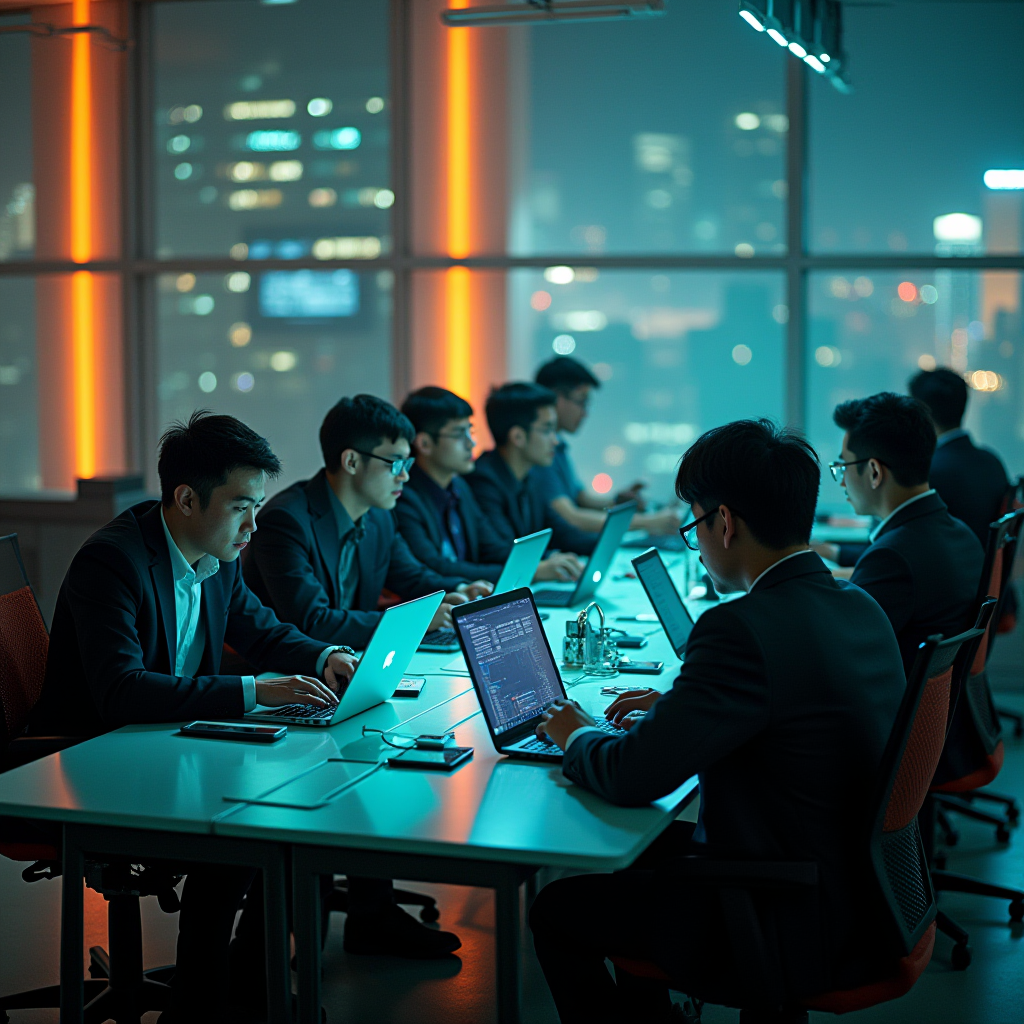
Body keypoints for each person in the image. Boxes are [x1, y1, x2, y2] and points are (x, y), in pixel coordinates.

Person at [527, 419, 907, 1023]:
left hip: (784, 910)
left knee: (556, 909)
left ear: (723, 523)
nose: (696, 544)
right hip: (865, 895)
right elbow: (791, 712)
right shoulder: (858, 604)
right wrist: (680, 709)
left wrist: (575, 732)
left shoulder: (738, 630)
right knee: (641, 856)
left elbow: (631, 776)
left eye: (693, 526)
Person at [29, 412, 360, 1022]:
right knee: (239, 836)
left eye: (257, 505)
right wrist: (255, 691)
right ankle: (199, 1006)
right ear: (186, 498)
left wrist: (326, 655)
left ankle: (244, 986)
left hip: (169, 744)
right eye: (241, 506)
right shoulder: (114, 563)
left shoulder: (216, 553)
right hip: (92, 759)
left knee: (295, 813)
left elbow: (261, 629)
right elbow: (122, 694)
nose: (254, 525)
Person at [244, 394, 493, 652]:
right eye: (395, 464)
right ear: (351, 461)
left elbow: (412, 577)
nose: (405, 476)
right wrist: (416, 621)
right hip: (292, 672)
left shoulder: (379, 516)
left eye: (407, 463)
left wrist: (460, 589)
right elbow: (313, 622)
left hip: (354, 659)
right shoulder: (286, 521)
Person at [826, 392, 984, 673]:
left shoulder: (892, 556)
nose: (841, 482)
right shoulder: (962, 535)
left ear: (874, 472)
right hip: (940, 711)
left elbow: (836, 648)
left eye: (843, 466)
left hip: (889, 712)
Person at [395, 386, 583, 584]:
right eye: (459, 434)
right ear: (424, 443)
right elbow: (436, 567)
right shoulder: (404, 497)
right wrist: (532, 571)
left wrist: (545, 561)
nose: (471, 444)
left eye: (470, 432)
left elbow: (492, 547)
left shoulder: (459, 488)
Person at [534, 356, 681, 535]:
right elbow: (571, 516)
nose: (585, 413)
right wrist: (648, 522)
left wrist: (617, 504)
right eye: (581, 401)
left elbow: (580, 498)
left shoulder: (558, 445)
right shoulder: (538, 450)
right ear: (556, 398)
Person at [465, 383, 599, 556]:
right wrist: (550, 559)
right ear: (518, 437)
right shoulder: (483, 482)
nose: (555, 441)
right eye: (547, 430)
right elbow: (500, 550)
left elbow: (561, 532)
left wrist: (612, 545)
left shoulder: (530, 477)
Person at [908, 366, 1013, 547]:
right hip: (982, 571)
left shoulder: (928, 472)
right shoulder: (993, 462)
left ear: (921, 413)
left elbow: (908, 544)